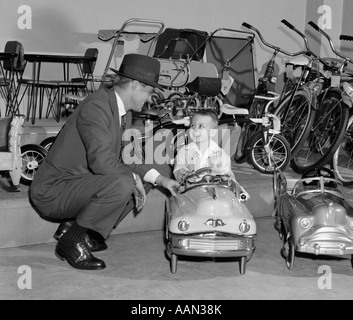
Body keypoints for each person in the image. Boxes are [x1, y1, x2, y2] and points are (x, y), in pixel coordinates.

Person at [29, 54, 180, 270]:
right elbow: (102, 163)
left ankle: (84, 230)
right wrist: (133, 178)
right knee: (124, 181)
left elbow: (124, 159)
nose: (149, 99)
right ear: (135, 85)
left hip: (79, 183)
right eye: (149, 92)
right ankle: (71, 241)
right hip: (53, 191)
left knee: (146, 178)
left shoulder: (123, 113)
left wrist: (162, 179)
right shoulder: (96, 107)